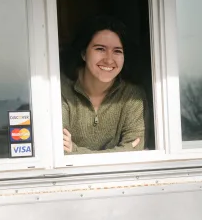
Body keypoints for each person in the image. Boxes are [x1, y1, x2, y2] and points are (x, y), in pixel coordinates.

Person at [61, 15, 145, 154]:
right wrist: (122, 152)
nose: (109, 60)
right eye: (100, 49)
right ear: (83, 53)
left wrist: (75, 151)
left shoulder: (132, 97)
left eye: (117, 51)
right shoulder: (60, 91)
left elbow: (135, 151)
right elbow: (59, 150)